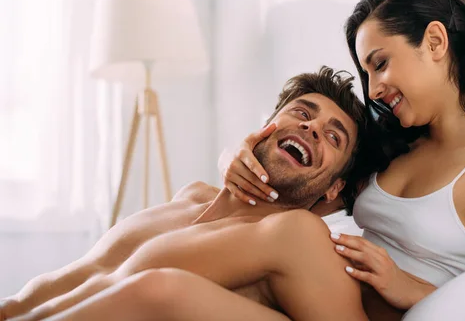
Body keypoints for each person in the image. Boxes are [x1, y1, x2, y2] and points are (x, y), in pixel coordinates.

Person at [220, 0, 465, 314]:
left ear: (435, 42)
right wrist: (238, 161)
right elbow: (302, 191)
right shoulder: (391, 143)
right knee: (189, 221)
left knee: (170, 288)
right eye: (367, 73)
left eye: (381, 64)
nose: (373, 91)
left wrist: (414, 291)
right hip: (296, 295)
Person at [0, 67, 374, 321]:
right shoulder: (191, 194)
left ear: (334, 188)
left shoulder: (299, 236)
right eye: (301, 113)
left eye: (332, 136)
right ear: (265, 127)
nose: (310, 127)